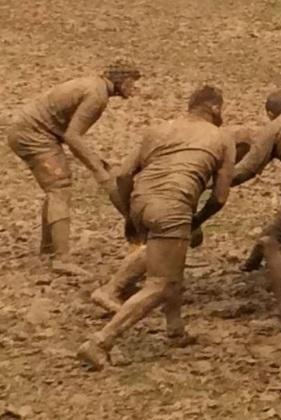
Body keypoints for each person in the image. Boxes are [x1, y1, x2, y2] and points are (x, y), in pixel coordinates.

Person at [77, 86, 236, 371]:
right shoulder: (222, 138)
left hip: (141, 201)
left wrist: (129, 213)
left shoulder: (158, 130)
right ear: (214, 108)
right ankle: (100, 341)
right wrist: (196, 220)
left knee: (170, 266)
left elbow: (124, 175)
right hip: (172, 206)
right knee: (160, 284)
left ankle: (175, 329)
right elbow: (220, 197)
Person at [6, 61, 141, 275]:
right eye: (132, 82)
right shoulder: (97, 96)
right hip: (33, 135)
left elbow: (70, 134)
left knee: (55, 189)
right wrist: (98, 169)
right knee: (59, 188)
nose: (134, 88)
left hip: (32, 131)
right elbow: (73, 136)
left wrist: (97, 162)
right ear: (121, 81)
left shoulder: (94, 87)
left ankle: (49, 249)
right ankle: (62, 259)